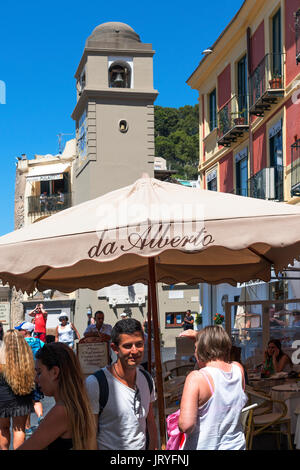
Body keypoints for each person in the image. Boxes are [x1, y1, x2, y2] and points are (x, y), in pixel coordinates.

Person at [85, 318, 158, 450]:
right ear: (115, 348)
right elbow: (90, 436)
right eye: (128, 346)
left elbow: (150, 422)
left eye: (139, 344)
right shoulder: (96, 383)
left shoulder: (147, 379)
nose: (135, 351)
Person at [178, 326, 248, 450]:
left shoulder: (197, 378)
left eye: (195, 348)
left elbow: (186, 425)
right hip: (236, 446)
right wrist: (202, 336)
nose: (194, 353)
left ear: (202, 348)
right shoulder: (238, 370)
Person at [17, 342, 97, 450]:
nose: (36, 379)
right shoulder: (76, 403)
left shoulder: (61, 411)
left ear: (55, 372)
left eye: (39, 372)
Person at [0, 330, 35, 450]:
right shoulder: (26, 357)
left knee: (3, 428)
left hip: (2, 397)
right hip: (22, 394)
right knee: (19, 429)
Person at [14, 322, 45, 434]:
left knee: (25, 401)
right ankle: (40, 416)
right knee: (36, 399)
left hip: (23, 375)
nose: (18, 332)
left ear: (26, 331)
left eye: (20, 330)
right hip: (36, 374)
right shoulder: (38, 341)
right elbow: (45, 353)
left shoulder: (19, 343)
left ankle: (27, 427)